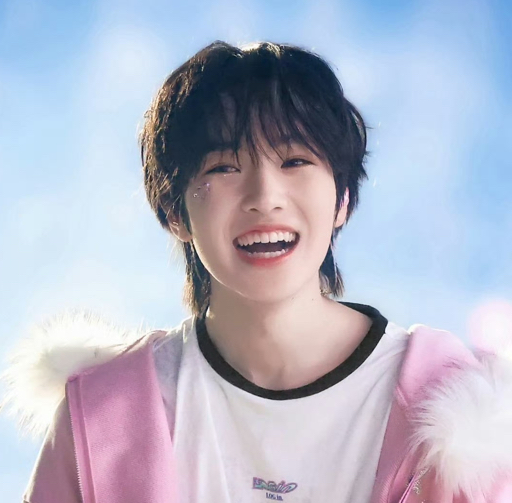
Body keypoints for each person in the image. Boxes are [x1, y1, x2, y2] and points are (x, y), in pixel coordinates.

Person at [3, 40, 512, 503]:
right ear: (175, 212)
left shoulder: (460, 415)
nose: (265, 198)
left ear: (342, 199)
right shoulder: (103, 414)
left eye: (294, 161)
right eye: (224, 167)